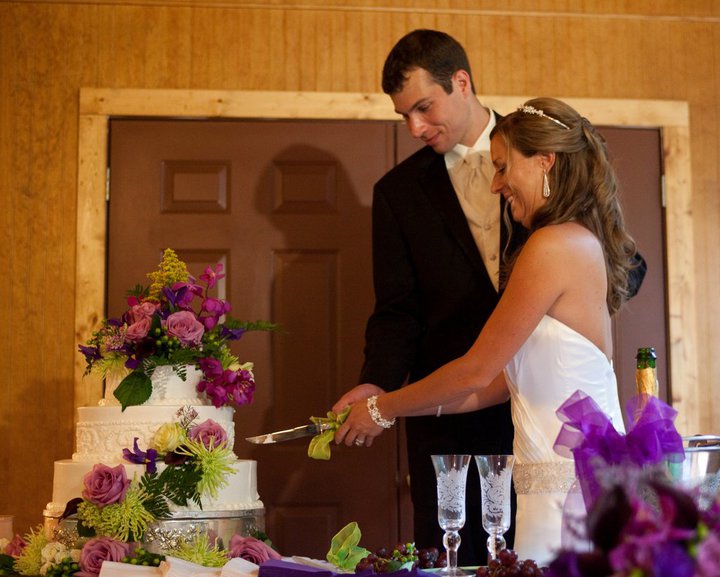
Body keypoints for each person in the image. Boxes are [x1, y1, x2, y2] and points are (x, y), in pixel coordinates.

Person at [335, 97, 638, 566]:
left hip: (570, 492)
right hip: (555, 482)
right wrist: (386, 409)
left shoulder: (554, 244)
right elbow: (495, 386)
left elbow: (476, 370)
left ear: (545, 161)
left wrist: (381, 407)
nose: (496, 184)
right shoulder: (569, 240)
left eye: (502, 168)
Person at [332, 29, 523, 565]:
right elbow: (398, 310)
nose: (415, 127)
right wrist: (377, 382)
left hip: (546, 404)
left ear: (461, 82)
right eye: (404, 116)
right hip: (450, 415)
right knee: (457, 561)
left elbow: (619, 264)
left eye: (423, 107)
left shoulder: (544, 148)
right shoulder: (396, 193)